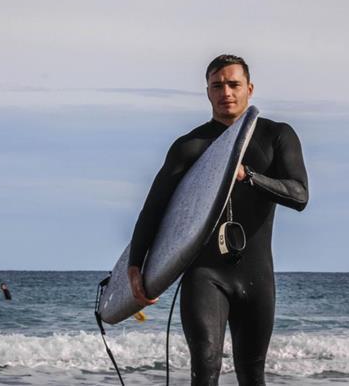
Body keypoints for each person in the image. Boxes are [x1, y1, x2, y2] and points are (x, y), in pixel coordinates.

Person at [127, 54, 309, 385]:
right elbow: (154, 208)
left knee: (252, 373)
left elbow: (299, 195)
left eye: (234, 84)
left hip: (257, 277)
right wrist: (136, 265)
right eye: (217, 85)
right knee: (206, 367)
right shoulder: (190, 146)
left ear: (249, 89)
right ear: (207, 92)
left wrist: (247, 175)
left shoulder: (276, 136)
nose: (226, 91)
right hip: (204, 274)